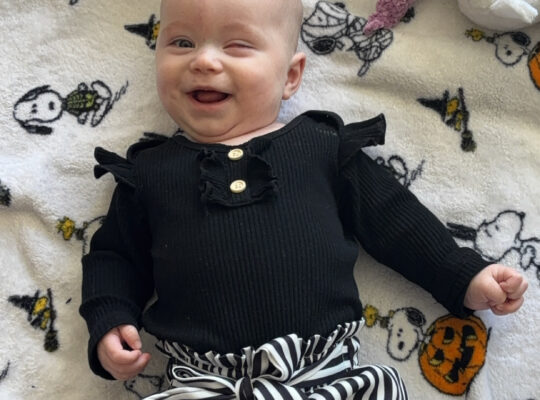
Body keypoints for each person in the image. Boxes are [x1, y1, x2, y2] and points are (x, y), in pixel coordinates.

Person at [79, 0, 528, 398]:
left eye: (237, 45)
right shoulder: (149, 173)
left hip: (325, 376)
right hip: (205, 383)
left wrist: (460, 274)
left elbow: (396, 220)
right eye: (181, 42)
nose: (204, 60)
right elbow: (114, 258)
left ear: (290, 75)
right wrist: (110, 317)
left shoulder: (321, 147)